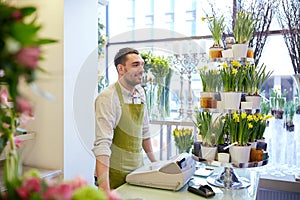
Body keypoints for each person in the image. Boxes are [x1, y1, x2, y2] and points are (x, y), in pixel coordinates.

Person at [92, 47, 157, 194]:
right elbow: (102, 145)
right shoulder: (107, 98)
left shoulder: (140, 92)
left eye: (142, 64)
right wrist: (105, 190)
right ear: (121, 69)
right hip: (114, 177)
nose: (141, 69)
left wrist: (156, 164)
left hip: (137, 172)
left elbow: (144, 131)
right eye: (135, 65)